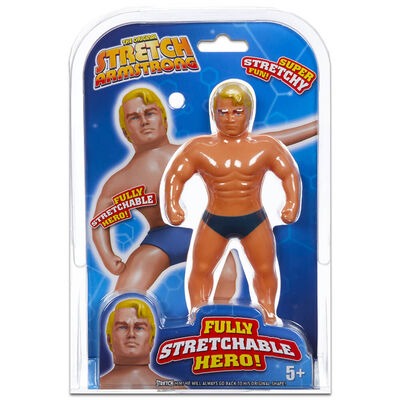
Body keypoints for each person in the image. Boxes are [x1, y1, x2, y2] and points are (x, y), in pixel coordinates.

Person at [92, 86, 315, 300]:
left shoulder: (191, 149)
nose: (144, 121)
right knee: (126, 289)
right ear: (125, 130)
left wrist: (315, 126)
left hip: (204, 229)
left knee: (227, 274)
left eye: (150, 113)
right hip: (159, 239)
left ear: (164, 119)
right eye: (134, 117)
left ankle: (216, 318)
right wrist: (107, 256)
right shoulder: (119, 180)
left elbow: (266, 143)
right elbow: (100, 221)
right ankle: (125, 313)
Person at [163, 80, 302, 325]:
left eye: (237, 112)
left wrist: (292, 203)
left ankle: (268, 313)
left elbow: (289, 173)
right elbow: (176, 175)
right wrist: (172, 204)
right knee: (201, 269)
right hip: (214, 220)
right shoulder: (199, 148)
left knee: (265, 269)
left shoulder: (265, 146)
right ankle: (196, 313)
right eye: (223, 112)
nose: (230, 118)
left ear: (249, 113)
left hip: (254, 219)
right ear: (213, 113)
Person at [100, 298, 165, 389]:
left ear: (152, 339)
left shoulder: (175, 389)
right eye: (122, 327)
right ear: (109, 339)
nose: (131, 334)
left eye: (139, 328)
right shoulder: (94, 389)